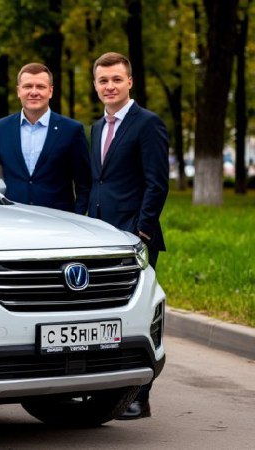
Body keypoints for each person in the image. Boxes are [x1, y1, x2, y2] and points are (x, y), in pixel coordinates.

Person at [89, 52, 169, 420]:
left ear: (130, 82)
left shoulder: (147, 123)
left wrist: (142, 231)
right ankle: (104, 391)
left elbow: (157, 184)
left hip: (135, 241)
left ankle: (139, 397)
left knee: (135, 317)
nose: (110, 86)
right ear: (96, 85)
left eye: (116, 79)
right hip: (99, 240)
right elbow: (99, 182)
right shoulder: (96, 127)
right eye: (103, 80)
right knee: (100, 319)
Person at [0, 63, 91, 213]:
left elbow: (85, 185)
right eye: (27, 86)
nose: (34, 92)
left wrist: (78, 217)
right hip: (15, 219)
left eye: (40, 87)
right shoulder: (2, 129)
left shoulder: (71, 130)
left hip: (59, 221)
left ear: (50, 91)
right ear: (18, 91)